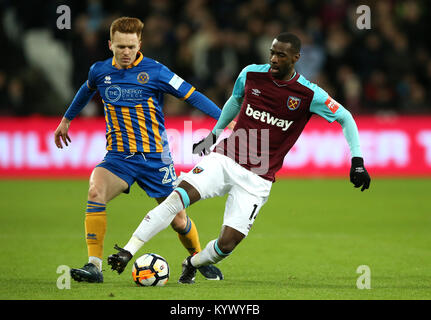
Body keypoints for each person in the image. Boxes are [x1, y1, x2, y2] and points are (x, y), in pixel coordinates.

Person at [107, 32, 371, 284]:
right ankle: (128, 251)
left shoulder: (308, 94)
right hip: (225, 159)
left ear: (296, 58)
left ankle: (193, 263)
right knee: (177, 198)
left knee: (227, 244)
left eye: (281, 55)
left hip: (258, 178)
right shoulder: (251, 74)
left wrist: (357, 161)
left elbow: (345, 117)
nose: (274, 59)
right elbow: (234, 101)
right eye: (272, 53)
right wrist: (213, 136)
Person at [54, 17, 225, 283]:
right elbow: (86, 91)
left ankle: (197, 258)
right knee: (95, 191)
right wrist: (67, 119)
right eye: (120, 46)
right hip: (118, 158)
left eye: (131, 46)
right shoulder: (99, 71)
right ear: (110, 44)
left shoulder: (156, 72)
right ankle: (94, 267)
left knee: (178, 220)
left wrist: (225, 120)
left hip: (155, 159)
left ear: (139, 44)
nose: (126, 52)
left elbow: (193, 95)